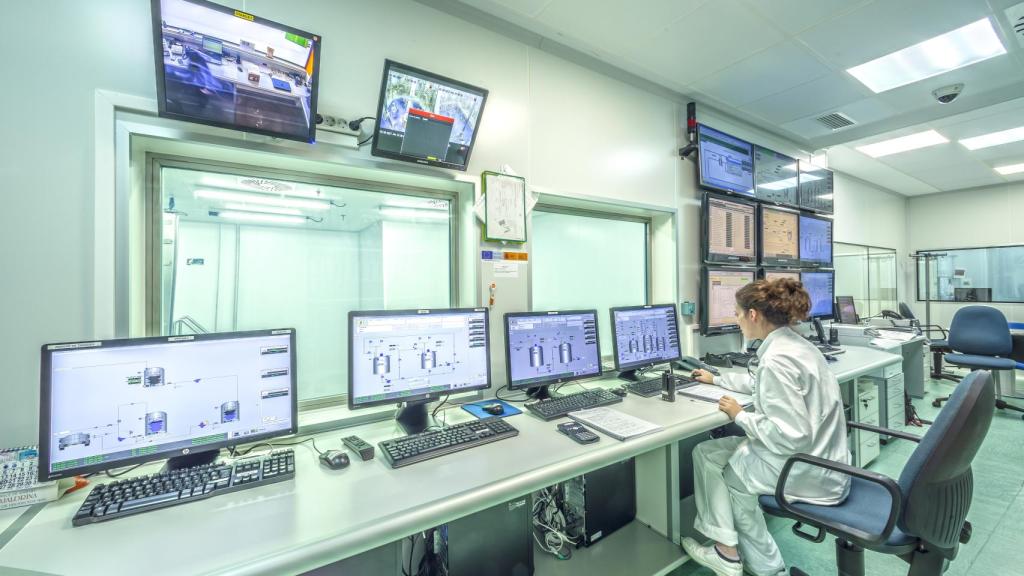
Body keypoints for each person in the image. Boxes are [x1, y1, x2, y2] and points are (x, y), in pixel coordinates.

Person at [681, 278, 850, 576]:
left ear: (753, 315)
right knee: (705, 453)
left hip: (804, 467)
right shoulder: (796, 345)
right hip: (824, 460)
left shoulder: (776, 360)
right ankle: (727, 550)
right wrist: (717, 379)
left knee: (734, 478)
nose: (737, 320)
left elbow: (789, 437)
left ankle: (762, 566)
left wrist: (739, 416)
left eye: (737, 314)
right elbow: (762, 384)